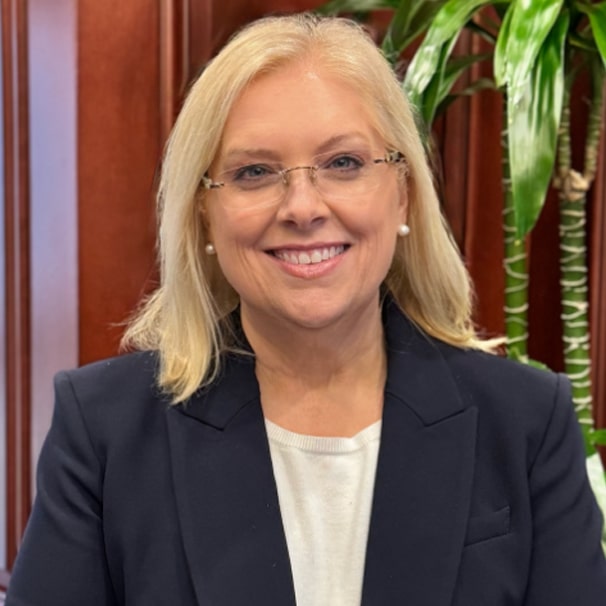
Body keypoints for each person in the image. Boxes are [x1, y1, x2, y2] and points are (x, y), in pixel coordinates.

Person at [6, 12, 606, 606]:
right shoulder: (104, 432)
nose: (302, 207)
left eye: (343, 163)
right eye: (254, 172)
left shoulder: (527, 423)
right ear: (204, 213)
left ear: (403, 193)